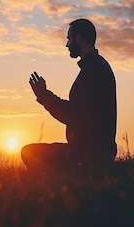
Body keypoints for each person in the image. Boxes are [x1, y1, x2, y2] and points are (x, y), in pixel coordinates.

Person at [21, 18, 117, 172]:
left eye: (69, 39)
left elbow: (71, 115)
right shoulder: (96, 67)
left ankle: (58, 184)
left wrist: (44, 95)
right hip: (90, 150)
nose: (67, 44)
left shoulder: (94, 71)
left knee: (29, 152)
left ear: (79, 38)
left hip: (89, 154)